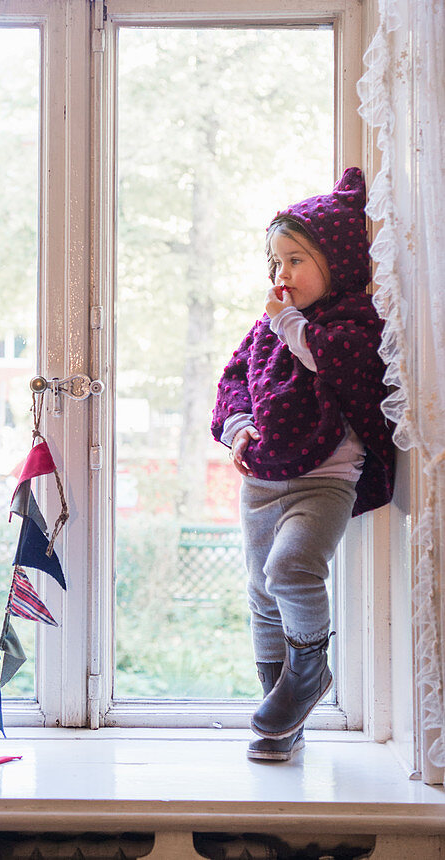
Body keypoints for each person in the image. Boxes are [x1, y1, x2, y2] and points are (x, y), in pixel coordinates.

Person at [211, 168, 394, 762]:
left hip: (325, 479)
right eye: (274, 263)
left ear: (336, 262)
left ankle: (310, 674)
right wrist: (237, 426)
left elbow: (338, 361)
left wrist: (290, 323)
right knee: (262, 594)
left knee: (290, 570)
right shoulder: (266, 328)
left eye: (294, 261)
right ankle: (283, 719)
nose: (280, 276)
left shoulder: (354, 321)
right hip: (263, 477)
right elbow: (236, 378)